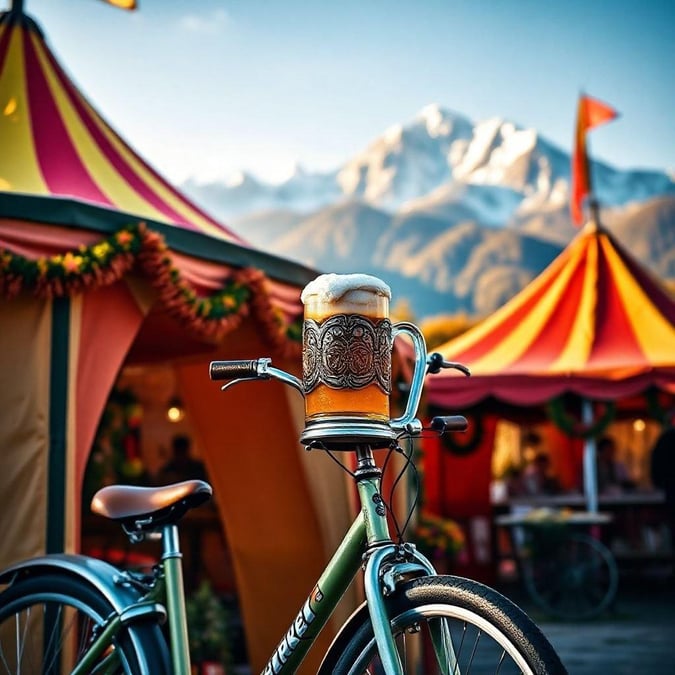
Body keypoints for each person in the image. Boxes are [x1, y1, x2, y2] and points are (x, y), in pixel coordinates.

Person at [650, 411, 675, 549]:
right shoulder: (666, 439)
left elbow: (656, 465)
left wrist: (658, 483)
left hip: (670, 489)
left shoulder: (665, 439)